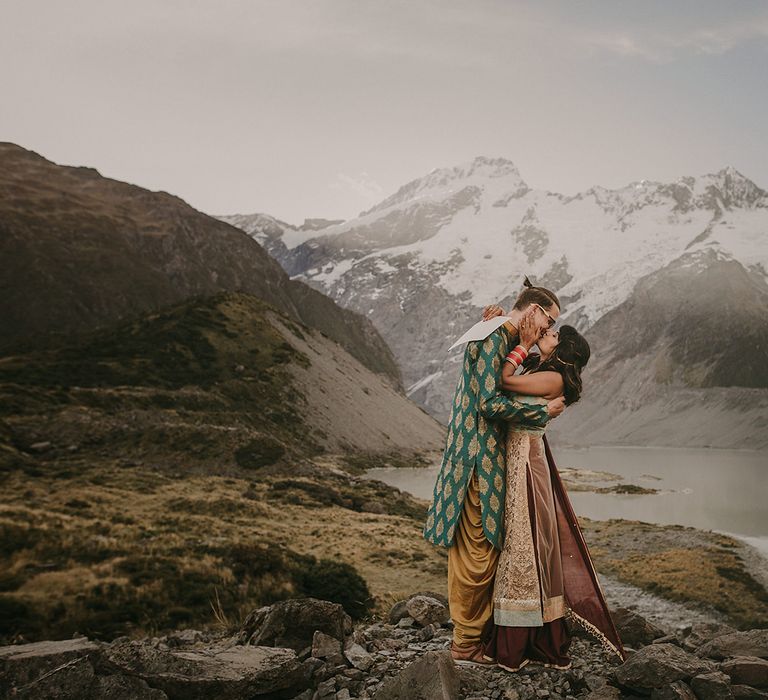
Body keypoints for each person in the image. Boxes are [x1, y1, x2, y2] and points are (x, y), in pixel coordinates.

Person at [423, 279, 565, 666]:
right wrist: (541, 413)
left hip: (480, 458)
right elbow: (488, 402)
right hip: (476, 461)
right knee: (477, 553)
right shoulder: (498, 335)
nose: (547, 331)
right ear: (533, 311)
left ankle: (472, 636)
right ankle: (465, 644)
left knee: (481, 549)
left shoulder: (499, 334)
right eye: (549, 320)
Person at [479, 321, 627, 670]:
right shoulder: (540, 367)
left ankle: (521, 641)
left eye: (555, 336)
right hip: (518, 460)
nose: (549, 333)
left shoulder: (554, 378)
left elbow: (503, 381)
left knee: (525, 543)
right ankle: (525, 634)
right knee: (522, 542)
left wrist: (524, 344)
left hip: (527, 465)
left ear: (562, 352)